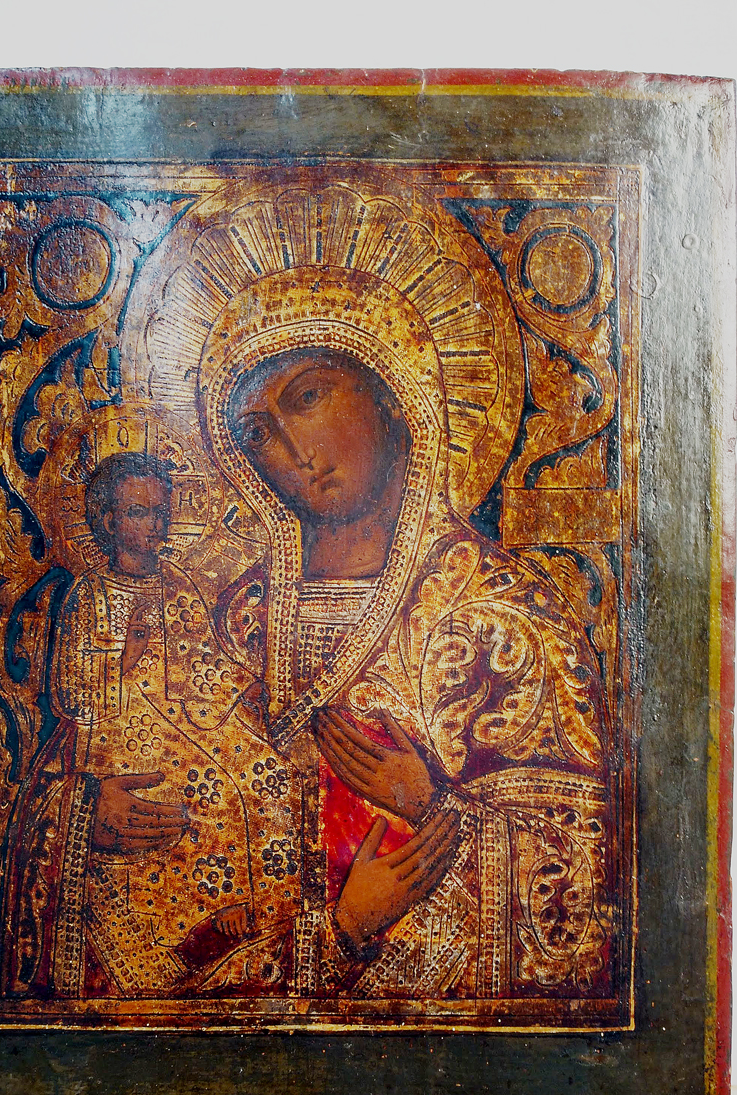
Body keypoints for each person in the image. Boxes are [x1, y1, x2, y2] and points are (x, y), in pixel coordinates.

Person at [199, 273, 614, 1002]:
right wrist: (341, 925)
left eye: (308, 396)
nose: (292, 449)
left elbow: (581, 875)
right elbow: (193, 859)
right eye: (257, 432)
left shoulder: (504, 617)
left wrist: (431, 807)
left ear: (392, 395)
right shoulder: (239, 622)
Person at [0, 452, 299, 999]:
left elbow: (203, 658)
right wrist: (125, 659)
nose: (154, 525)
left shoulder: (177, 582)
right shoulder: (89, 594)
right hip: (112, 729)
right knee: (190, 786)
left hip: (183, 714)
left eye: (161, 512)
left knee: (260, 769)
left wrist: (243, 687)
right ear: (108, 521)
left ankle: (241, 903)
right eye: (139, 512)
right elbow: (70, 694)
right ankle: (184, 917)